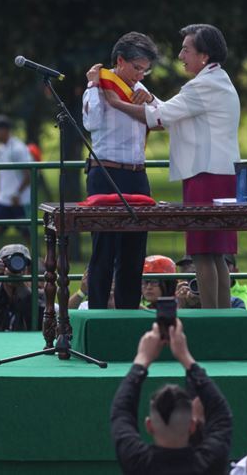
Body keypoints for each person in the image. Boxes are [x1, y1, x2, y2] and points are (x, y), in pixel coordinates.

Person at [104, 24, 241, 309]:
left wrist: (115, 102)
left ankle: (211, 321)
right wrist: (152, 100)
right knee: (216, 254)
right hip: (218, 173)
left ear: (203, 56)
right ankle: (223, 318)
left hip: (205, 174)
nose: (180, 55)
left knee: (203, 253)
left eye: (186, 49)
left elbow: (161, 119)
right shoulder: (217, 80)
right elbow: (174, 111)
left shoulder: (202, 85)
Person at [82, 32, 159, 309]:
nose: (139, 75)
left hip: (137, 174)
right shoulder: (102, 85)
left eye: (145, 70)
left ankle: (128, 313)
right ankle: (99, 312)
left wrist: (149, 98)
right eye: (136, 68)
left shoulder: (140, 90)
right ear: (120, 61)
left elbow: (165, 118)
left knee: (134, 248)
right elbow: (90, 122)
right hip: (106, 173)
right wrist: (92, 86)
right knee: (104, 246)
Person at [110, 318, 232, 474]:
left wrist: (142, 359)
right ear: (192, 426)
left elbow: (121, 412)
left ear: (149, 426)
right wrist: (185, 356)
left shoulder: (136, 460)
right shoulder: (209, 462)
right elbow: (221, 413)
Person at [0, 115, 32, 248]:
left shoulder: (19, 148)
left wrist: (17, 193)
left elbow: (29, 175)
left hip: (19, 200)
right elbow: (0, 172)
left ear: (4, 130)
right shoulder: (0, 148)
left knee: (28, 234)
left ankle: (38, 263)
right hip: (3, 199)